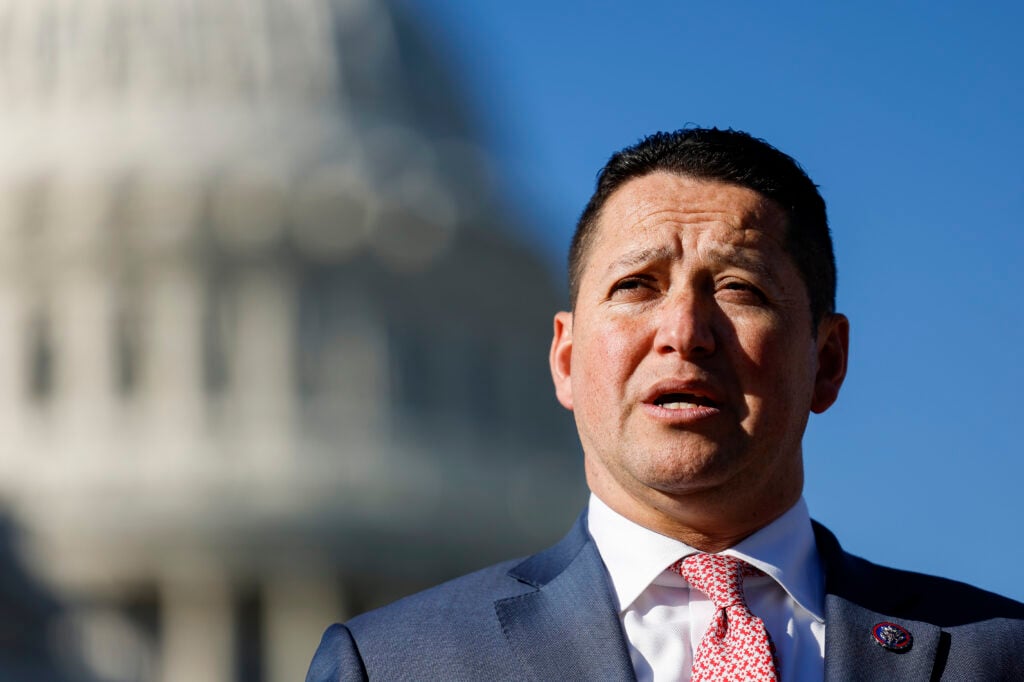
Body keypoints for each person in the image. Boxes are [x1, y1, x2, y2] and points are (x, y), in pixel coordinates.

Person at [306, 128, 1024, 681]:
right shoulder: (398, 664)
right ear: (564, 358)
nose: (683, 333)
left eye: (740, 287)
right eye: (636, 287)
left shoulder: (994, 653)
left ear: (827, 362)